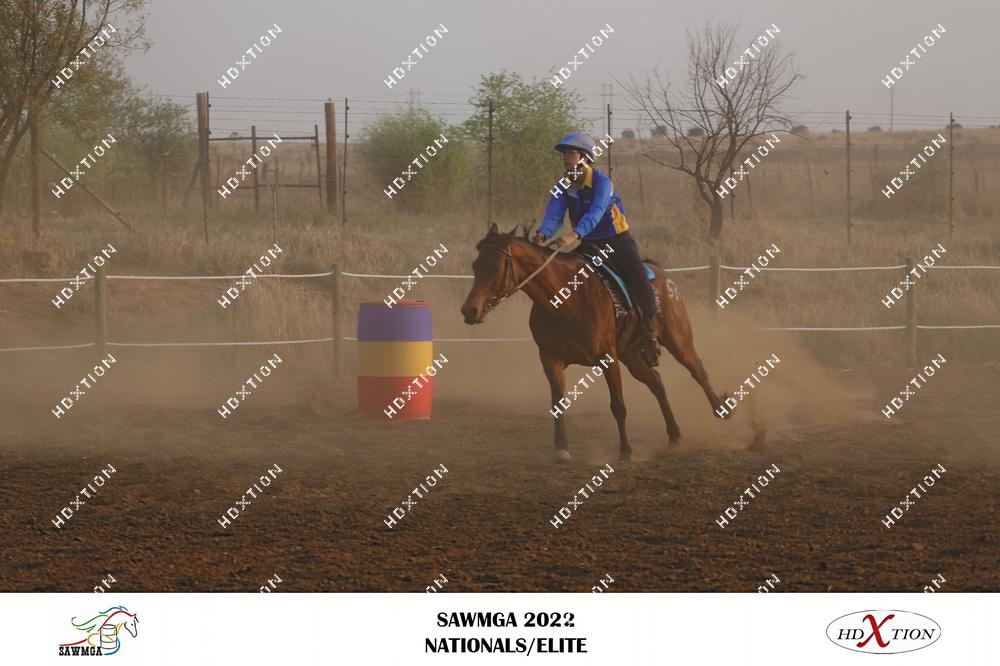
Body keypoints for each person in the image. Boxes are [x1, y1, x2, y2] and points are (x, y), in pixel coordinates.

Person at [533, 131, 660, 366]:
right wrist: (543, 233)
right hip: (590, 244)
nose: (565, 158)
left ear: (585, 158)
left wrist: (574, 235)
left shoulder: (603, 183)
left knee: (640, 280)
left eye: (570, 153)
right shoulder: (562, 186)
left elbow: (596, 212)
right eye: (564, 154)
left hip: (617, 241)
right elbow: (554, 215)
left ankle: (650, 333)